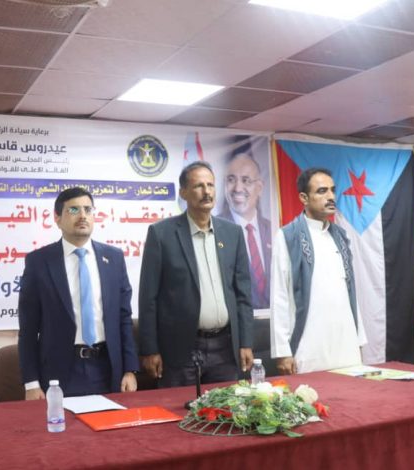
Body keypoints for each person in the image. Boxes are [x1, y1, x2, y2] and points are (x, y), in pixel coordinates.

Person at [139, 161, 254, 387]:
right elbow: (148, 298)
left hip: (225, 348)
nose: (206, 192)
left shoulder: (232, 233)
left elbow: (243, 294)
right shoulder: (161, 234)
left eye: (210, 185)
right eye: (198, 186)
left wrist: (246, 342)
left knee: (226, 407)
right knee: (179, 408)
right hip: (180, 350)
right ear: (183, 192)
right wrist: (150, 349)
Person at [18, 187, 139, 398]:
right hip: (60, 373)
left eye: (88, 209)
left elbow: (123, 318)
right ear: (57, 218)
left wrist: (130, 369)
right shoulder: (39, 262)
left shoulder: (114, 258)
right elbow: (28, 329)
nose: (83, 215)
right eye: (73, 210)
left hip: (109, 369)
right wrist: (31, 383)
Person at [270, 168, 366, 374]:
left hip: (346, 344)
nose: (331, 196)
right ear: (304, 198)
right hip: (308, 346)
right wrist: (282, 352)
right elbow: (279, 297)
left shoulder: (341, 236)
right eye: (322, 191)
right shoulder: (287, 236)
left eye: (332, 190)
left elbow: (350, 291)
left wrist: (358, 340)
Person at [217, 139, 272, 309]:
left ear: (259, 188)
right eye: (231, 180)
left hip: (273, 321)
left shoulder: (274, 231)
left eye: (246, 180)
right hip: (235, 322)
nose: (238, 188)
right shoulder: (213, 230)